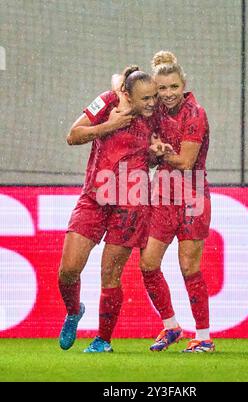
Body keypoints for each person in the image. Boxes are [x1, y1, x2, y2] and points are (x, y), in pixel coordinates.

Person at [58, 66, 169, 353]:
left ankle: (103, 341)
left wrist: (156, 156)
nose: (151, 103)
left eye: (153, 97)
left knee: (110, 275)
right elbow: (73, 135)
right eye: (144, 98)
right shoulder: (108, 102)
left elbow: (150, 156)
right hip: (94, 198)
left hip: (131, 203)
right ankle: (73, 311)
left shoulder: (156, 116)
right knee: (68, 271)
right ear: (127, 95)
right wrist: (110, 126)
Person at [139, 51, 215, 353]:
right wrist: (152, 152)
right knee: (148, 265)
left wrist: (161, 151)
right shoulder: (153, 115)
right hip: (162, 198)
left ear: (183, 85)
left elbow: (185, 161)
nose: (168, 94)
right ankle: (171, 327)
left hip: (192, 198)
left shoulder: (195, 113)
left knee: (189, 268)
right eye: (161, 89)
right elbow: (148, 159)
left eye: (173, 87)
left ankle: (205, 337)